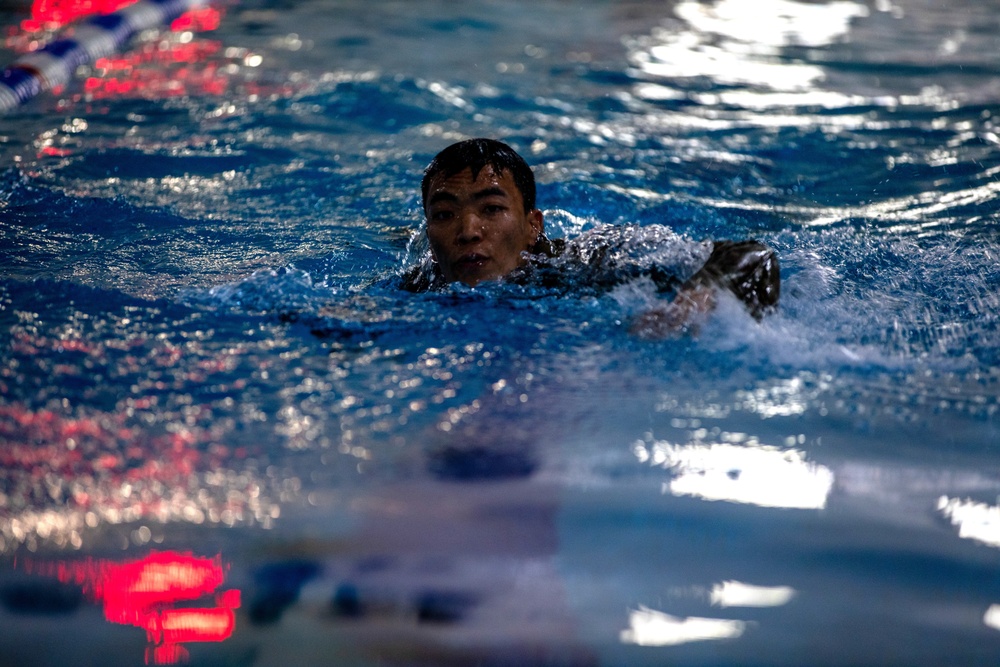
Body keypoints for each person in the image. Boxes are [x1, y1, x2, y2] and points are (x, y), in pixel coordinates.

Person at [401, 138, 779, 337]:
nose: (468, 232)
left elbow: (752, 254)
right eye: (444, 215)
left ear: (533, 226)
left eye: (492, 209)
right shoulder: (421, 284)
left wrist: (696, 296)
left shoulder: (585, 263)